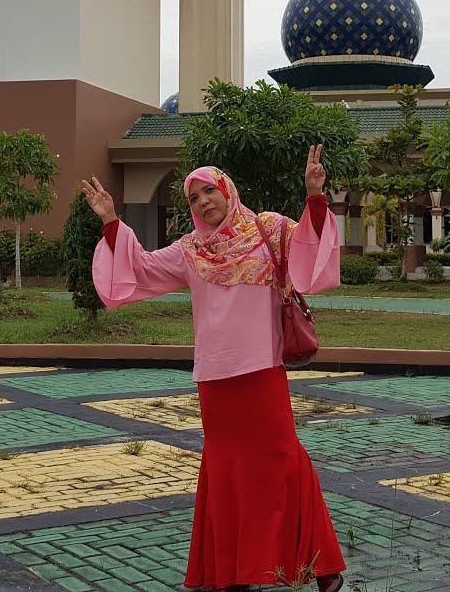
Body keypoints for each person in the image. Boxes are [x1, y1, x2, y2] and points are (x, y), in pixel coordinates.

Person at [80, 145, 347, 592]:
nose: (204, 201)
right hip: (215, 375)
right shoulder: (189, 251)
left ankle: (321, 565)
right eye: (194, 198)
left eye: (210, 191)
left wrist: (315, 196)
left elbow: (309, 258)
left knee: (282, 458)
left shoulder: (269, 229)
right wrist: (111, 221)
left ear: (227, 191)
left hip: (262, 367)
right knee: (228, 470)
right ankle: (236, 571)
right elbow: (140, 269)